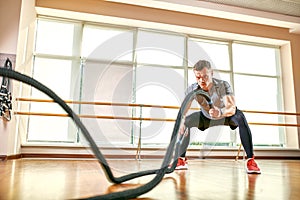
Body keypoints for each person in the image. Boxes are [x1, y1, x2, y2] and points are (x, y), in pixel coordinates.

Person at [175, 60, 261, 174]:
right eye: (198, 77)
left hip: (226, 116)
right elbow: (184, 109)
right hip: (206, 117)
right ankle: (181, 160)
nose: (201, 80)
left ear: (212, 73)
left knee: (240, 117)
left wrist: (220, 112)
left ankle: (251, 161)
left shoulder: (223, 85)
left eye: (205, 76)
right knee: (187, 121)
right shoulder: (193, 89)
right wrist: (182, 121)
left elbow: (231, 107)